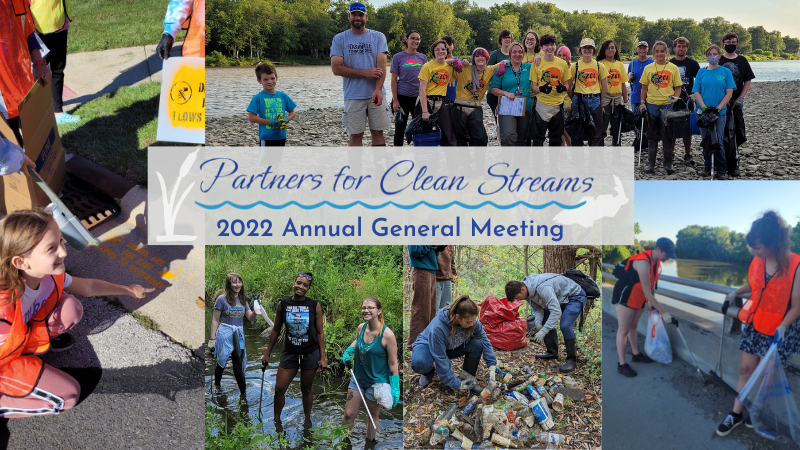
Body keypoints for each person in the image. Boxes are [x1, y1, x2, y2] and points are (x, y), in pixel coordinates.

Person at [0, 208, 152, 417]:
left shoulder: (48, 275)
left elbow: (89, 287)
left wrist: (129, 289)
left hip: (18, 339)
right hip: (4, 360)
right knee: (66, 397)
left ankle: (32, 348)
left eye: (61, 241)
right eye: (51, 248)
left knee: (71, 308)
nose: (64, 252)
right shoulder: (3, 307)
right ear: (20, 262)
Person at [716, 211, 800, 437]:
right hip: (756, 324)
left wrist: (783, 326)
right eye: (752, 248)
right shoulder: (758, 260)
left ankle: (756, 412)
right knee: (745, 369)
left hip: (779, 330)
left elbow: (797, 306)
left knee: (765, 375)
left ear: (774, 243)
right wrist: (735, 292)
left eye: (757, 248)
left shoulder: (796, 265)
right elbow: (756, 284)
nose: (753, 251)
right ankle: (736, 414)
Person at [261, 273, 327, 424]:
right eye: (299, 283)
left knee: (306, 389)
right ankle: (277, 421)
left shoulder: (314, 305)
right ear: (294, 283)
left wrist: (322, 358)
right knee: (279, 389)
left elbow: (319, 332)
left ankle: (307, 420)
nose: (301, 287)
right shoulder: (283, 304)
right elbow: (276, 330)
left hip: (310, 353)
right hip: (290, 352)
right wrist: (267, 353)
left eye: (305, 285)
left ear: (308, 289)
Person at [610, 238, 677, 377]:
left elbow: (650, 288)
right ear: (658, 249)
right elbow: (647, 292)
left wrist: (653, 305)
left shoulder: (657, 264)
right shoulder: (642, 262)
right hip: (625, 295)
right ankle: (622, 364)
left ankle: (636, 354)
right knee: (623, 330)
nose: (668, 258)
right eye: (666, 255)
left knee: (633, 327)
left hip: (639, 297)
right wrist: (664, 313)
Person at [330, 2, 389, 147]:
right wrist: (365, 72)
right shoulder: (339, 39)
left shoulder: (378, 37)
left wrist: (378, 89)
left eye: (360, 15)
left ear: (366, 17)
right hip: (353, 95)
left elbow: (381, 66)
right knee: (356, 135)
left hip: (376, 93)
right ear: (349, 16)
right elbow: (336, 69)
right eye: (354, 14)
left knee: (378, 132)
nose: (357, 18)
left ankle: (379, 167)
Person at [341, 297, 400, 442]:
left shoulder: (388, 335)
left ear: (379, 311)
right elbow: (358, 341)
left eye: (370, 308)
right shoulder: (361, 327)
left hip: (376, 384)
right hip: (357, 380)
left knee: (372, 417)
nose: (366, 310)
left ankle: (369, 443)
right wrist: (349, 350)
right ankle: (343, 443)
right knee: (349, 414)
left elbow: (393, 364)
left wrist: (395, 388)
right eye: (363, 308)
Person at [505, 272, 588, 373]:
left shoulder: (542, 287)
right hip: (560, 299)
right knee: (544, 319)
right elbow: (538, 310)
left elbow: (556, 311)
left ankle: (571, 359)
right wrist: (538, 323)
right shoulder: (527, 293)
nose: (519, 300)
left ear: (522, 289)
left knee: (565, 326)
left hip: (575, 297)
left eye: (518, 297)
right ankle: (552, 352)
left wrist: (544, 331)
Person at [411, 295, 497, 390]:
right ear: (458, 317)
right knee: (420, 363)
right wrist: (455, 383)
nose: (472, 324)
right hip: (428, 346)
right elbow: (440, 357)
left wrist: (492, 366)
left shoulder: (473, 323)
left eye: (473, 321)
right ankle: (428, 372)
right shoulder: (438, 328)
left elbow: (485, 341)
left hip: (449, 346)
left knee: (477, 344)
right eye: (468, 322)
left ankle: (467, 377)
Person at [0, 0, 52, 145]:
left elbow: (28, 30)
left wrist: (40, 63)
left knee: (29, 132)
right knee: (9, 140)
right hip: (2, 89)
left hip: (21, 78)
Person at [29, 0, 79, 124]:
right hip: (39, 25)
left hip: (59, 21)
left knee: (58, 69)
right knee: (39, 72)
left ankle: (57, 112)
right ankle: (41, 113)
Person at [450, 48, 500, 169]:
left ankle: (479, 167)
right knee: (461, 139)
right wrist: (456, 61)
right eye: (477, 56)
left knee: (481, 139)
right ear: (473, 58)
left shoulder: (489, 70)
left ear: (487, 58)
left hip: (475, 106)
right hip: (459, 106)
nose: (480, 58)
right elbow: (443, 62)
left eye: (483, 56)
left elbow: (507, 61)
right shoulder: (465, 67)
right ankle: (467, 167)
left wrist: (503, 65)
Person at [208, 272, 257, 396]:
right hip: (224, 333)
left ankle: (243, 394)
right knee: (221, 361)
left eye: (239, 282)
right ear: (229, 284)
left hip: (238, 335)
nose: (237, 284)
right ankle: (217, 386)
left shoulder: (243, 300)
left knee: (238, 363)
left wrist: (257, 311)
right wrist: (212, 340)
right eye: (234, 282)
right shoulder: (221, 299)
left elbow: (250, 318)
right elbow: (215, 320)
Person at [529, 34, 572, 169]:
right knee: (538, 138)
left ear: (555, 46)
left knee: (556, 138)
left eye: (552, 44)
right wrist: (540, 89)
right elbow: (533, 87)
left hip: (558, 106)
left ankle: (554, 167)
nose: (550, 47)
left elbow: (567, 84)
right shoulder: (537, 63)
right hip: (542, 105)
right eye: (546, 45)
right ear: (541, 47)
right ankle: (538, 168)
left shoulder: (562, 63)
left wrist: (563, 88)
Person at [640, 41, 682, 175]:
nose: (659, 54)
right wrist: (642, 102)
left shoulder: (673, 68)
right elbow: (644, 87)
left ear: (666, 52)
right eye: (657, 51)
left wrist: (675, 98)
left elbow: (678, 87)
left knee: (667, 135)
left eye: (662, 51)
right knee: (652, 135)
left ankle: (668, 163)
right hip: (652, 104)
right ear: (653, 53)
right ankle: (651, 164)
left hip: (667, 105)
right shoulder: (648, 68)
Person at [692, 44, 734, 179]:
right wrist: (703, 107)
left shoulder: (725, 72)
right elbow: (696, 91)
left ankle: (721, 168)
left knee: (718, 139)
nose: (713, 56)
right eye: (710, 54)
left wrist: (718, 108)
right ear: (706, 56)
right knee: (706, 139)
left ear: (720, 56)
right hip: (703, 112)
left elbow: (729, 92)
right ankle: (707, 165)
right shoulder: (701, 72)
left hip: (719, 112)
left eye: (715, 54)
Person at [719, 32, 755, 177]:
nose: (731, 44)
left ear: (737, 44)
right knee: (724, 131)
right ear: (723, 44)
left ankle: (734, 161)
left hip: (736, 102)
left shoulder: (742, 60)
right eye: (728, 42)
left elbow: (747, 80)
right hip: (721, 103)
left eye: (733, 41)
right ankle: (724, 162)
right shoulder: (718, 60)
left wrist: (742, 97)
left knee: (737, 131)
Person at [569, 38, 608, 156]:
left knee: (596, 133)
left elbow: (604, 87)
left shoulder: (599, 66)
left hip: (595, 100)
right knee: (577, 133)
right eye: (584, 48)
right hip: (579, 99)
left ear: (594, 50)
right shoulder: (574, 66)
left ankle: (593, 163)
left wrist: (599, 101)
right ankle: (579, 163)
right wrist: (574, 100)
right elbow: (568, 87)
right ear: (580, 50)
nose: (587, 50)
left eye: (590, 48)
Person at [490, 41, 533, 148]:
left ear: (523, 54)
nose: (517, 55)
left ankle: (519, 164)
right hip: (507, 107)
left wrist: (538, 59)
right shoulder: (502, 68)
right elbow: (493, 89)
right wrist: (505, 93)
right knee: (508, 136)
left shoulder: (529, 67)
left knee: (522, 139)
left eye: (520, 52)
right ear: (510, 54)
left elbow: (544, 65)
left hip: (524, 107)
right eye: (514, 52)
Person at [390, 30, 426, 147]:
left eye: (418, 39)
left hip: (418, 99)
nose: (415, 41)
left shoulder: (423, 57)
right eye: (413, 38)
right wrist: (395, 100)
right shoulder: (398, 57)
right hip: (402, 97)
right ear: (406, 39)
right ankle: (397, 156)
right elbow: (393, 79)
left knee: (419, 129)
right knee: (400, 129)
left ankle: (420, 156)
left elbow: (426, 80)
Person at [246, 64, 296, 148]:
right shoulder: (258, 98)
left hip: (281, 135)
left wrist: (286, 119)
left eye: (272, 78)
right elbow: (251, 117)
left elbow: (292, 112)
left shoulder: (283, 96)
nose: (270, 82)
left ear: (276, 78)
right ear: (259, 81)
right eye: (265, 79)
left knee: (277, 160)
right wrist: (270, 122)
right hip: (266, 137)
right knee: (265, 161)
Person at [417, 40, 457, 146]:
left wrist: (463, 62)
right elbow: (422, 89)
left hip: (442, 101)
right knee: (425, 133)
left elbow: (461, 71)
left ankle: (452, 161)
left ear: (447, 51)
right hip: (426, 101)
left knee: (448, 133)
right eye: (437, 49)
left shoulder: (450, 66)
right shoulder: (427, 66)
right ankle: (427, 160)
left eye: (443, 49)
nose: (440, 51)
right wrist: (425, 111)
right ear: (433, 52)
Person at [669, 37, 701, 165]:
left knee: (688, 128)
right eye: (678, 46)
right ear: (674, 48)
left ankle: (687, 153)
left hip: (688, 99)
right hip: (673, 100)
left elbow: (699, 80)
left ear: (686, 48)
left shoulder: (693, 63)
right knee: (671, 126)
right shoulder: (669, 63)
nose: (681, 49)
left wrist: (695, 94)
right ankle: (671, 152)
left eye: (683, 46)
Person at [407, 245, 444, 350]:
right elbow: (415, 251)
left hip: (431, 271)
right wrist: (431, 243)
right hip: (421, 271)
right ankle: (415, 345)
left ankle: (427, 342)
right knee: (421, 310)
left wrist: (438, 248)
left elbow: (432, 253)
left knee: (431, 311)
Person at [597, 40, 628, 147]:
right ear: (604, 50)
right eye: (608, 48)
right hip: (604, 98)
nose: (610, 50)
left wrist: (625, 100)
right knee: (601, 127)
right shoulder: (600, 64)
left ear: (616, 49)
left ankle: (616, 153)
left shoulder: (620, 65)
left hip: (617, 98)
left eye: (612, 47)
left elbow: (623, 84)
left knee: (617, 127)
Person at [628, 41, 654, 152]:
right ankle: (639, 139)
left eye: (644, 48)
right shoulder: (632, 64)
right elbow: (629, 80)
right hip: (635, 96)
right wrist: (629, 77)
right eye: (640, 48)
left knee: (649, 120)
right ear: (637, 50)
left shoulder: (652, 62)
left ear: (647, 49)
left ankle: (647, 141)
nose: (642, 50)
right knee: (636, 120)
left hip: (649, 97)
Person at [486, 29, 514, 122]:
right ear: (500, 40)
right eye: (505, 37)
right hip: (495, 92)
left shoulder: (515, 54)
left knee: (509, 118)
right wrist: (500, 65)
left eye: (509, 37)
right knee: (498, 118)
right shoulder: (495, 54)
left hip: (510, 91)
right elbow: (488, 71)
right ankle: (499, 135)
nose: (507, 39)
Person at [556, 46, 573, 147]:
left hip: (568, 102)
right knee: (559, 130)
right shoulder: (555, 67)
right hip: (557, 102)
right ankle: (562, 151)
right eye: (560, 55)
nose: (562, 57)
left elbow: (571, 88)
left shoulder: (571, 69)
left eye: (564, 55)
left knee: (566, 130)